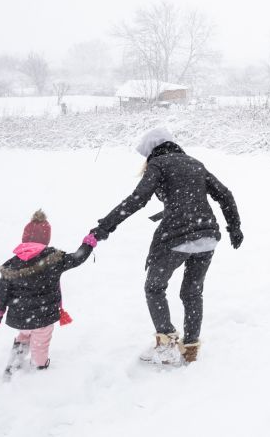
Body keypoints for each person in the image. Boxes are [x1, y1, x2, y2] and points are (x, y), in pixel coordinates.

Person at [89, 127, 243, 365]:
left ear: (152, 150)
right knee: (192, 292)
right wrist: (234, 227)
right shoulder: (195, 164)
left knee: (154, 287)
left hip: (177, 238)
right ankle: (190, 349)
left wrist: (105, 227)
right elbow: (225, 194)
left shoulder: (158, 164)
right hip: (207, 236)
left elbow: (138, 199)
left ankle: (166, 345)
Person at [0, 210, 97, 374]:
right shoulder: (54, 259)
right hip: (43, 317)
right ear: (46, 239)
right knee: (40, 343)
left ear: (25, 238)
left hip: (20, 316)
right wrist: (88, 244)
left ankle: (15, 362)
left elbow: (2, 291)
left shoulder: (12, 264)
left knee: (24, 334)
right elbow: (77, 258)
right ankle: (39, 368)